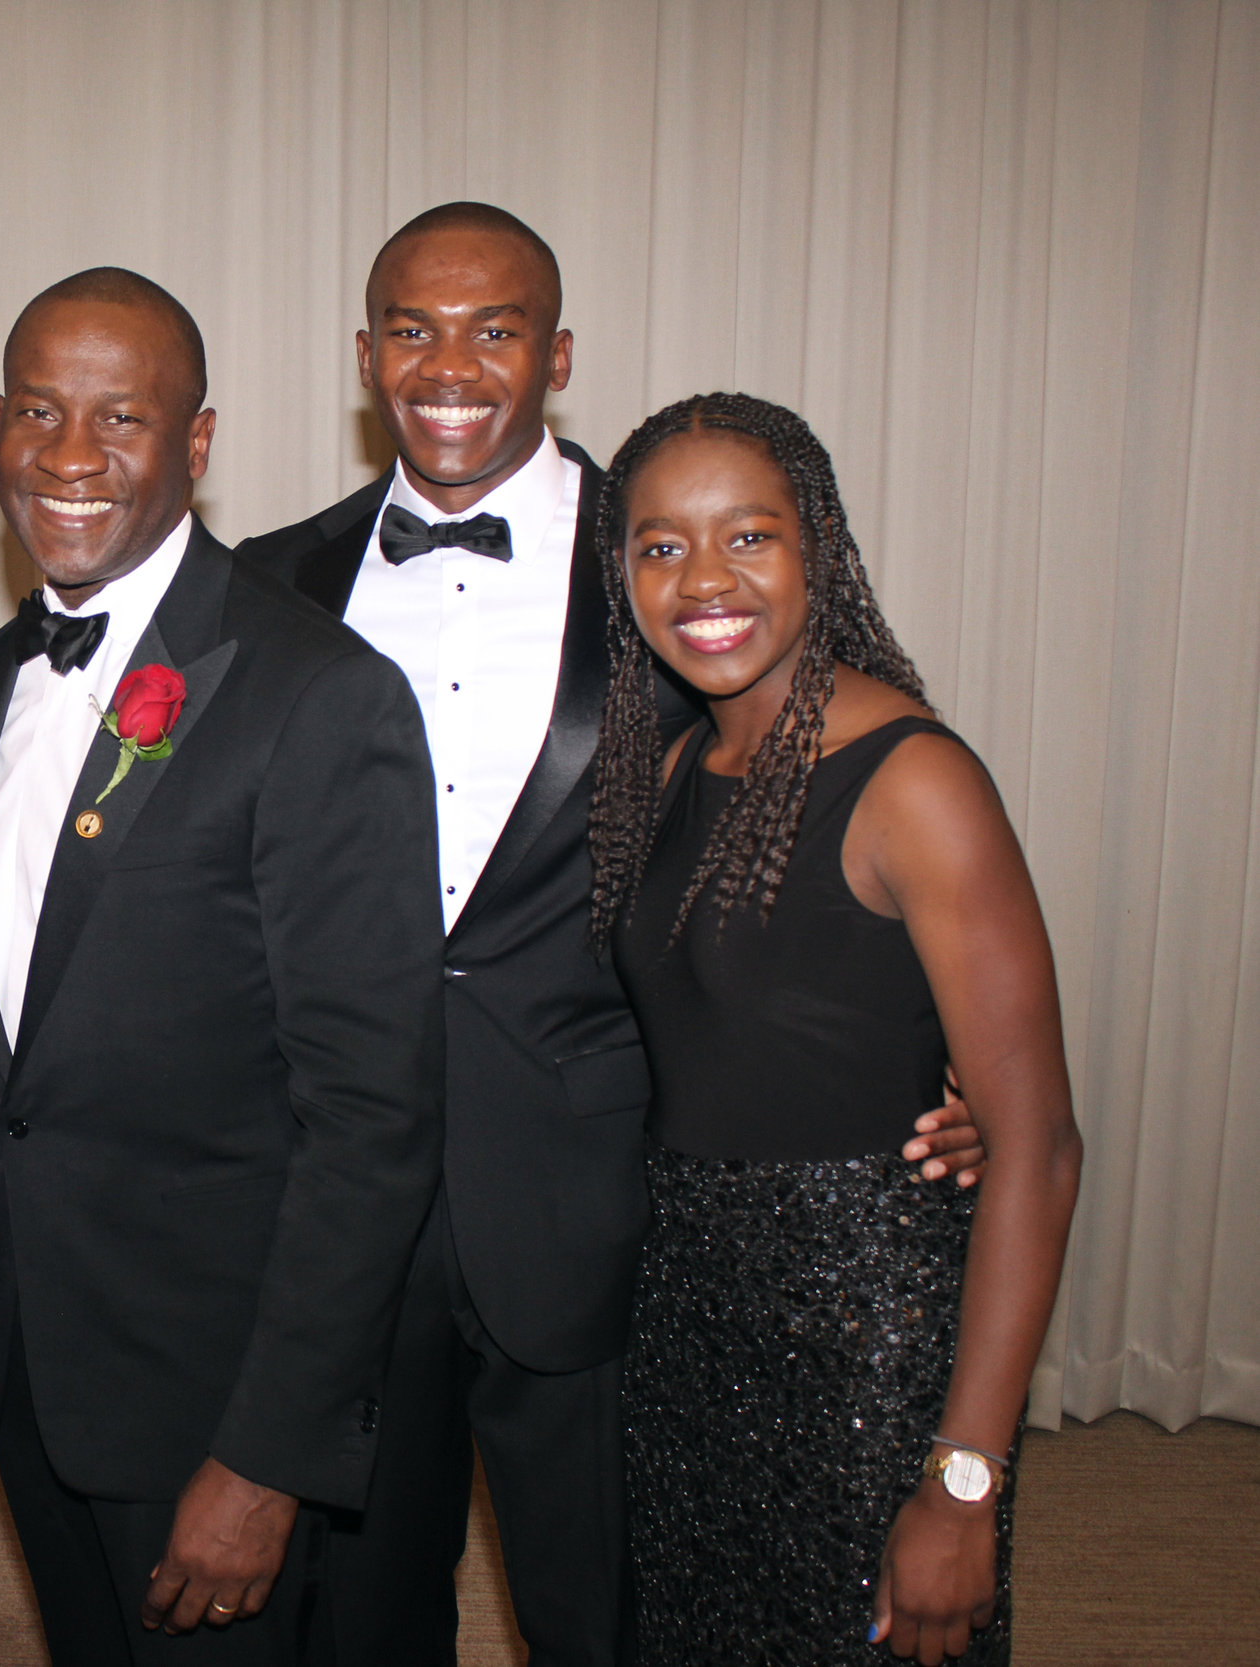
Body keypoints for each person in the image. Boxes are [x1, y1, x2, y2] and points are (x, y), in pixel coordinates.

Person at [235, 203, 987, 1665]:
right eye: (413, 327)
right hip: (337, 1193)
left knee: (606, 1608)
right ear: (366, 355)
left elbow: (804, 808)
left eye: (496, 328)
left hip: (592, 1192)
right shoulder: (276, 578)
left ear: (558, 353)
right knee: (357, 1607)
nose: (450, 363)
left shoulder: (664, 558)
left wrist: (945, 1064)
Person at [0, 267, 444, 1663]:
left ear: (199, 444)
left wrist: (269, 1455)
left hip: (213, 1394)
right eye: (39, 410)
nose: (68, 454)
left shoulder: (318, 693)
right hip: (43, 1353)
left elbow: (376, 1119)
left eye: (122, 417)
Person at [592, 392, 1081, 1664]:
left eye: (747, 535)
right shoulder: (671, 763)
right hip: (685, 1321)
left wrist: (965, 1479)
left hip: (862, 1339)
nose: (704, 578)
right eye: (659, 545)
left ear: (817, 547)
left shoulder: (913, 782)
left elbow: (1037, 1147)